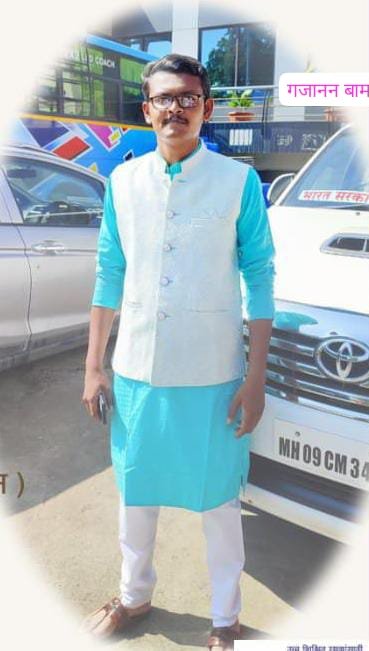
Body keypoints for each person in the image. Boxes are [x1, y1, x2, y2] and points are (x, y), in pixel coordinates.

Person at [81, 53, 275, 650]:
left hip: (213, 371)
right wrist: (93, 367)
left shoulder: (238, 182)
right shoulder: (122, 183)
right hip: (137, 368)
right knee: (136, 493)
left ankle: (225, 618)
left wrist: (256, 378)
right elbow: (109, 272)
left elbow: (260, 275)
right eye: (164, 98)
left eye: (188, 97)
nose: (176, 108)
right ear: (147, 110)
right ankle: (134, 596)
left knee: (218, 502)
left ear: (206, 108)